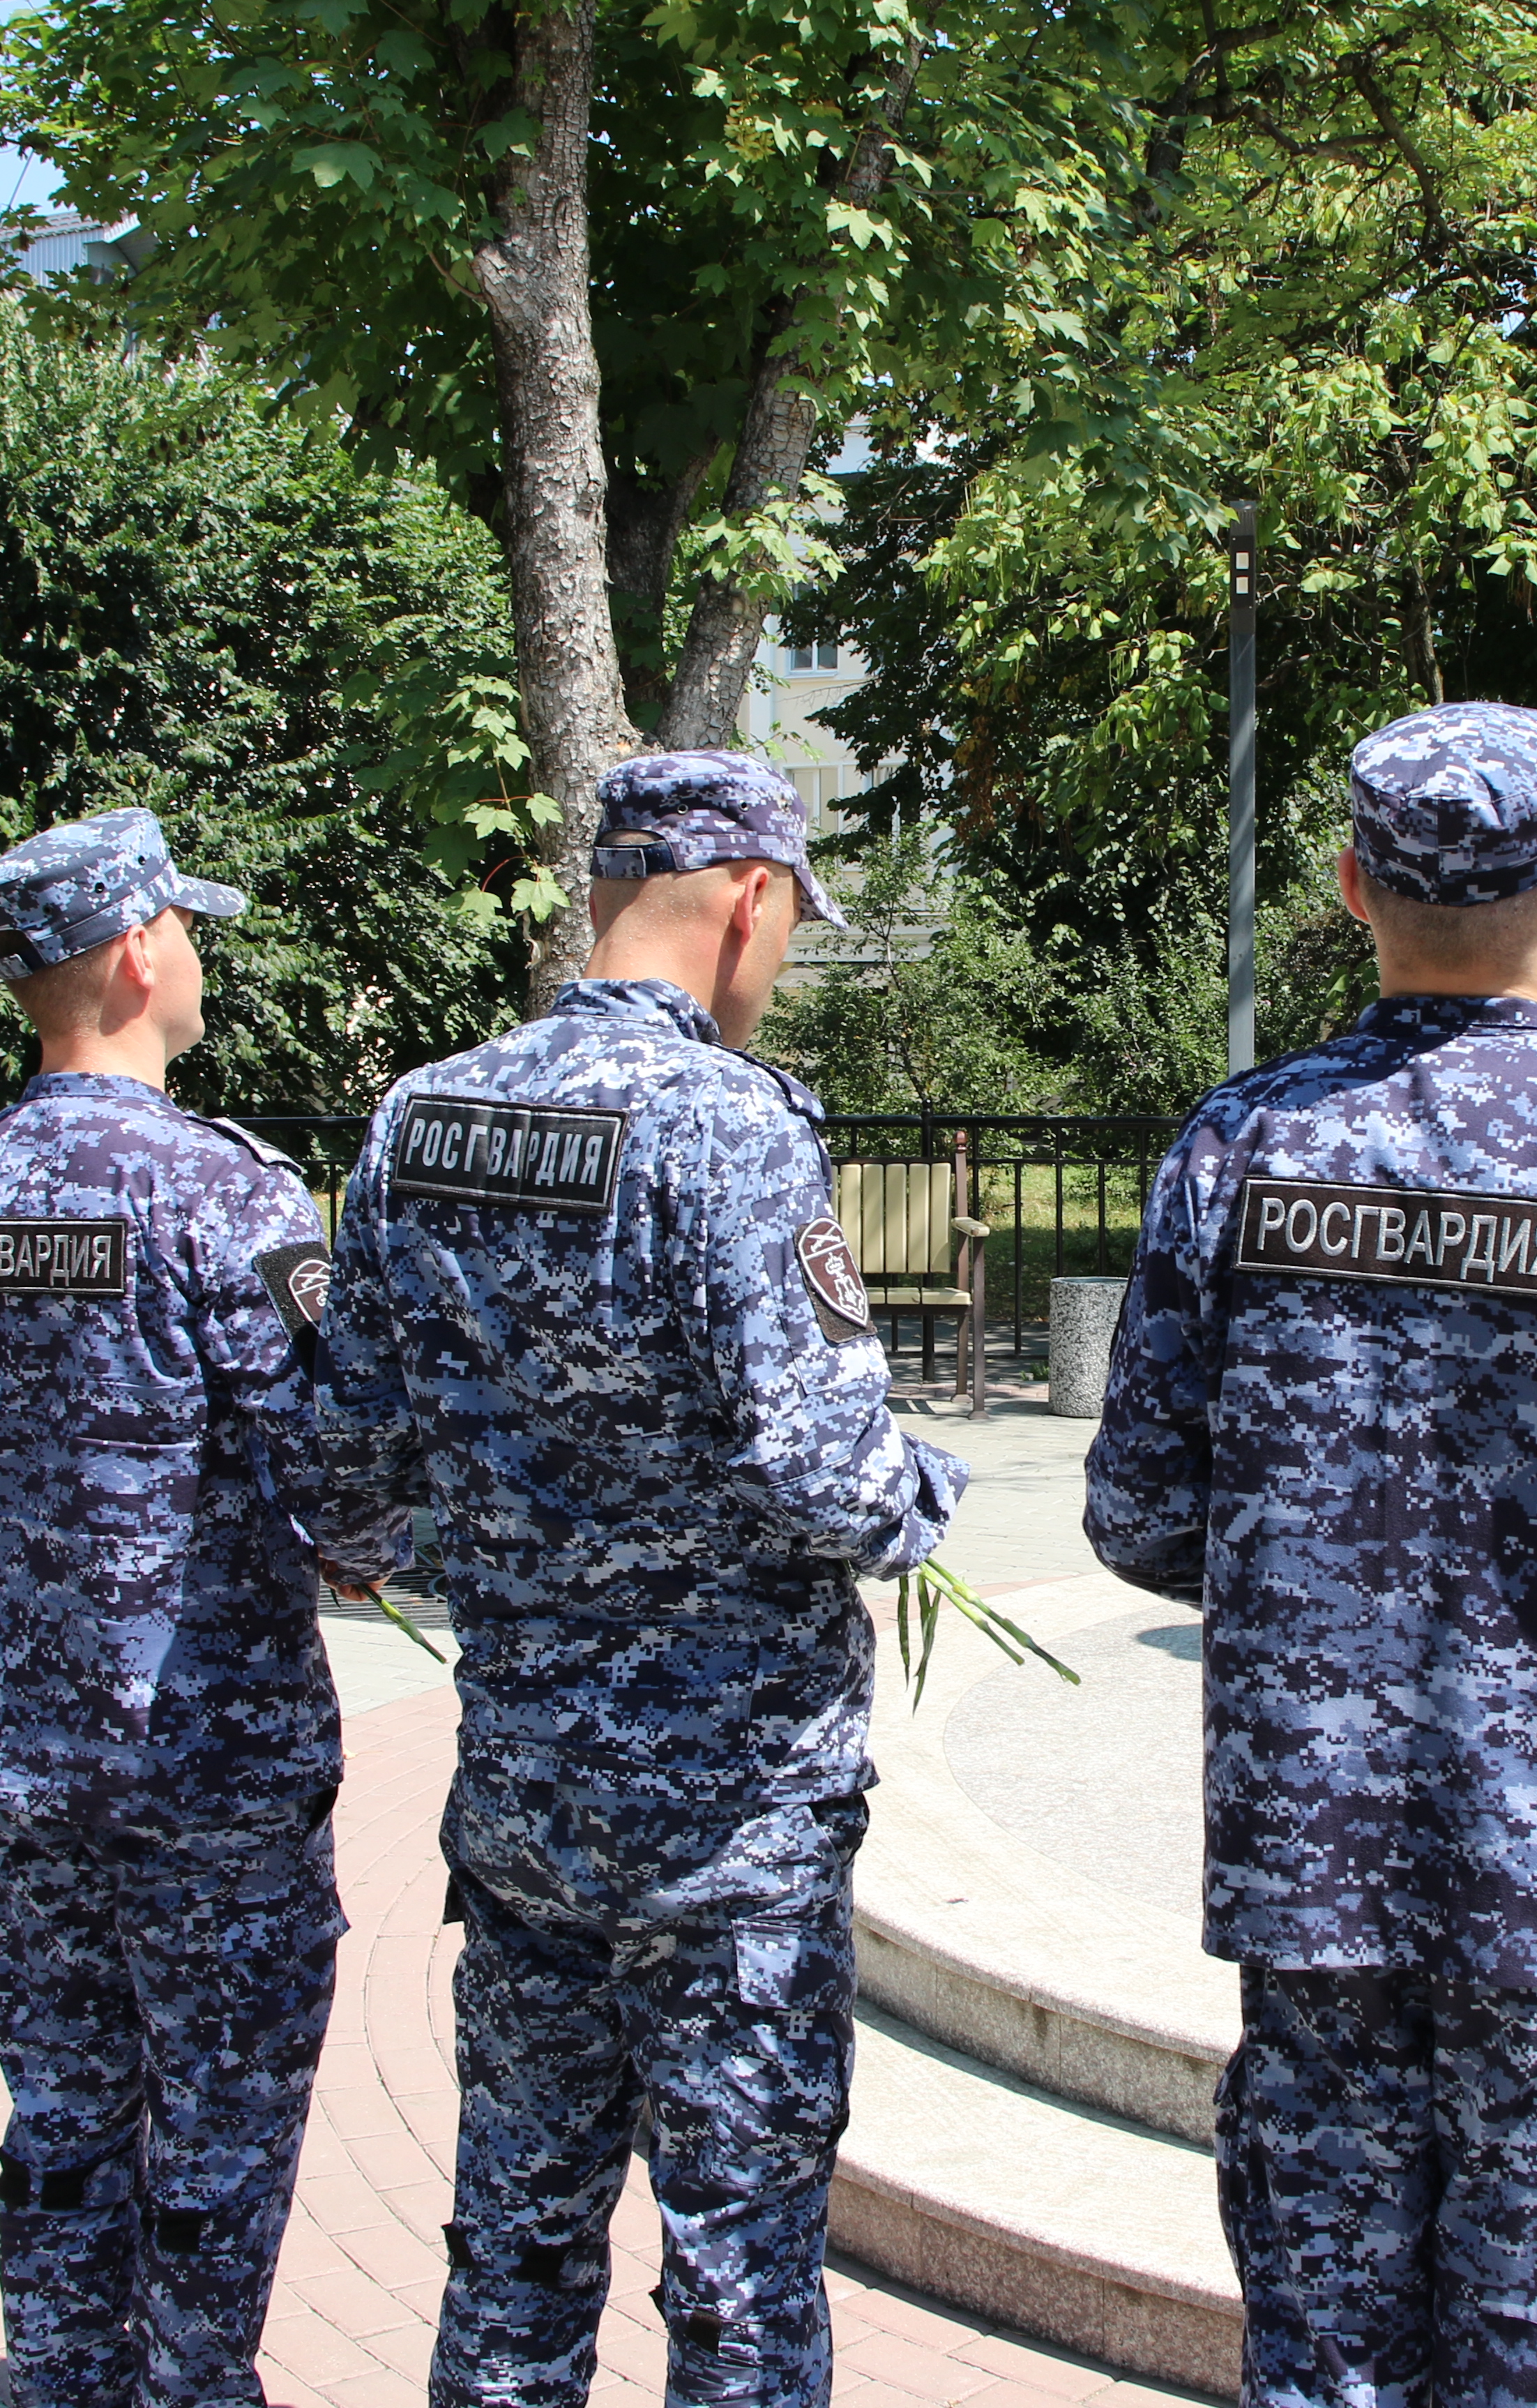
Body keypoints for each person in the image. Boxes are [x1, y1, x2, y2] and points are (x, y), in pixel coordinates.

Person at [1080, 704, 1537, 2406]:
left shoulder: (1245, 1146)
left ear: (1351, 886)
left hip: (1315, 1862)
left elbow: (1136, 1508)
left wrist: (1312, 1594)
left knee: (1328, 2351)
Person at [316, 751, 967, 2408]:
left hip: (527, 1799)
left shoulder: (424, 1113)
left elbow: (337, 1471)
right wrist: (927, 1493)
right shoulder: (726, 1126)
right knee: (740, 2270)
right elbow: (833, 1478)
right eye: (792, 923)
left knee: (516, 2238)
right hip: (727, 1829)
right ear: (749, 898)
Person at [0, 809, 406, 2408]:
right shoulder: (219, 1193)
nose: (202, 960)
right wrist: (368, 1548)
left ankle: (64, 2388)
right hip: (208, 1769)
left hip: (28, 1762)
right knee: (220, 2129)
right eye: (192, 931)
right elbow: (336, 1472)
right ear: (135, 951)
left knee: (67, 2114)